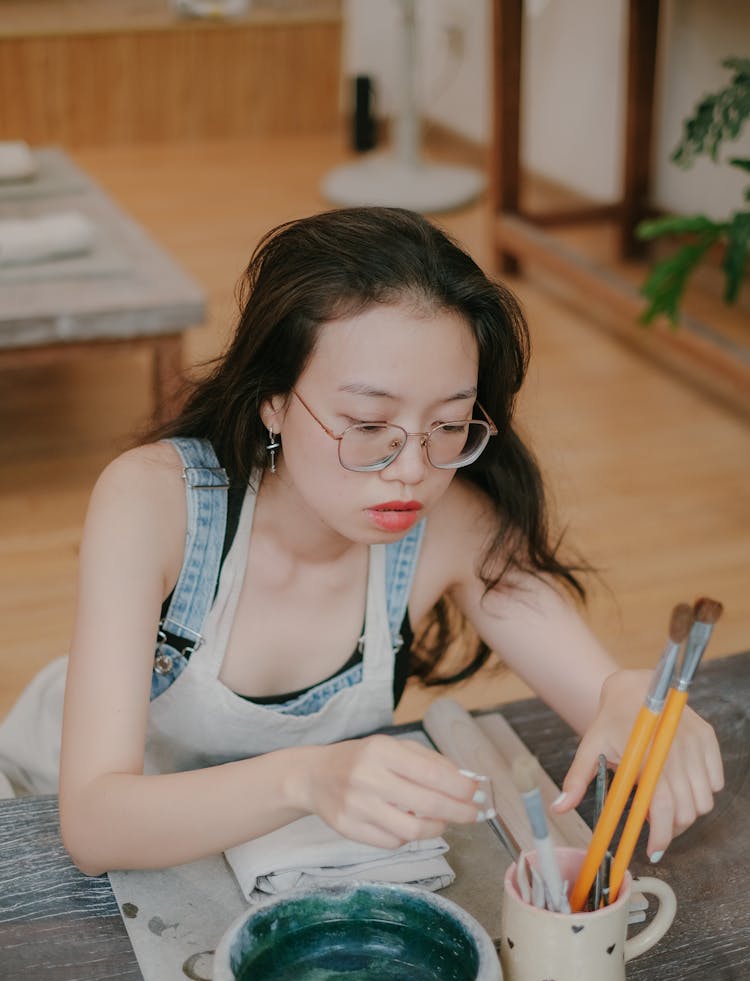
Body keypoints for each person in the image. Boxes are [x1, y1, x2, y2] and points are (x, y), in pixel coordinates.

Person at [0, 207, 722, 877]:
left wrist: (629, 694)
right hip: (46, 821)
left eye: (448, 425)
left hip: (256, 858)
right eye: (370, 426)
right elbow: (93, 822)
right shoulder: (156, 503)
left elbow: (602, 695)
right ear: (274, 402)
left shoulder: (452, 523)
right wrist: (308, 774)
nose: (412, 470)